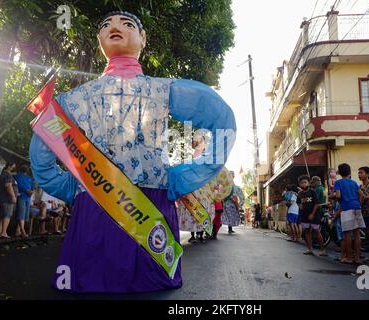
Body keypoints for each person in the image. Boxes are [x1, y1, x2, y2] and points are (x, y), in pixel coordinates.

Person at [29, 11, 236, 293]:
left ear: (143, 38)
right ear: (100, 38)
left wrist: (180, 178)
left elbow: (220, 117)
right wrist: (72, 185)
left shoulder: (160, 90)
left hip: (113, 199)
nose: (115, 28)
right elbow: (43, 148)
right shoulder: (75, 99)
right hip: (113, 199)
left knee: (91, 280)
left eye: (127, 24)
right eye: (106, 25)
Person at [334, 163, 365, 264]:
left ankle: (348, 257)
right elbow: (362, 195)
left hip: (346, 208)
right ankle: (357, 258)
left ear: (339, 172)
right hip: (356, 207)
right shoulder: (354, 183)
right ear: (350, 172)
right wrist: (357, 204)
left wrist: (333, 197)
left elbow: (338, 196)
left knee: (347, 234)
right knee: (357, 234)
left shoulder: (338, 182)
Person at [297, 175, 326, 256]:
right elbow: (298, 203)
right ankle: (310, 249)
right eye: (302, 183)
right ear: (299, 184)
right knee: (307, 232)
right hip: (304, 216)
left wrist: (312, 214)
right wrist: (300, 206)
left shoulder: (313, 191)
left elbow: (317, 203)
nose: (304, 184)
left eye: (305, 182)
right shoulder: (300, 194)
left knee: (316, 231)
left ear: (309, 183)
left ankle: (323, 249)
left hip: (314, 215)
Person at [0, 162, 17, 239]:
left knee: (1, 215)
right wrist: (13, 196)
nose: (13, 169)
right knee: (7, 215)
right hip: (6, 199)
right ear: (9, 166)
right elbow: (8, 185)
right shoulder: (8, 175)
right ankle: (4, 233)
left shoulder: (2, 174)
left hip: (0, 197)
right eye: (13, 167)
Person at [14, 164, 35, 238]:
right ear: (22, 168)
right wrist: (26, 190)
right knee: (21, 213)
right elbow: (19, 185)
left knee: (25, 214)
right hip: (21, 196)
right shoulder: (17, 176)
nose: (26, 168)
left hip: (28, 198)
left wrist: (32, 191)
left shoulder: (29, 177)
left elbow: (32, 186)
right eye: (25, 167)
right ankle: (23, 231)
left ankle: (18, 230)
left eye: (27, 167)